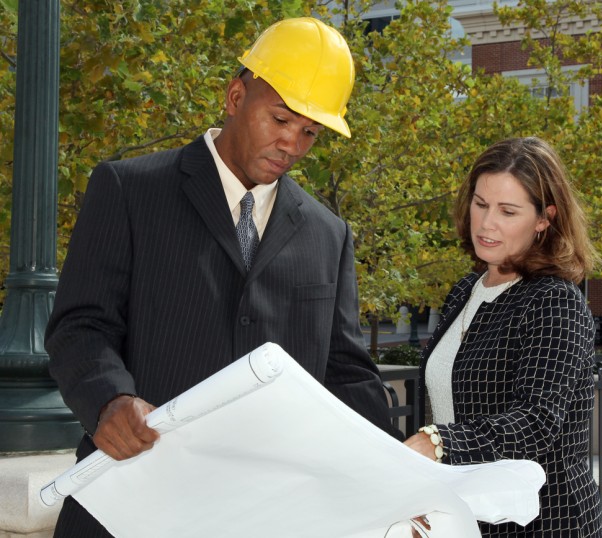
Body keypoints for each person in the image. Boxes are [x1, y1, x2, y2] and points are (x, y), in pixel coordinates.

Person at [45, 17, 398, 537]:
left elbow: (345, 375)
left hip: (269, 516)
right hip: (133, 501)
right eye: (280, 119)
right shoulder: (128, 190)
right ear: (235, 96)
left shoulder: (330, 234)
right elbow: (80, 325)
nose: (292, 145)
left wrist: (399, 472)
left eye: (309, 132)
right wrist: (108, 399)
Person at [404, 137, 602, 537]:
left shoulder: (554, 301)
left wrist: (438, 443)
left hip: (542, 522)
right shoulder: (466, 290)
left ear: (544, 218)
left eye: (507, 211)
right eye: (480, 204)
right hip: (466, 516)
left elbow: (536, 422)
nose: (486, 223)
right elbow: (447, 401)